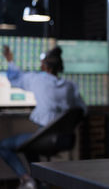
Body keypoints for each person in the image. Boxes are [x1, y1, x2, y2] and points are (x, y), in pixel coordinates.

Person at [0, 45, 86, 189]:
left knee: (4, 146)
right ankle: (39, 181)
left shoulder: (38, 80)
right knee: (30, 145)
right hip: (66, 139)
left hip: (45, 138)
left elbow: (16, 77)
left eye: (41, 62)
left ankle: (27, 180)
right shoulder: (70, 86)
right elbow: (82, 110)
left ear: (46, 65)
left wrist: (10, 60)